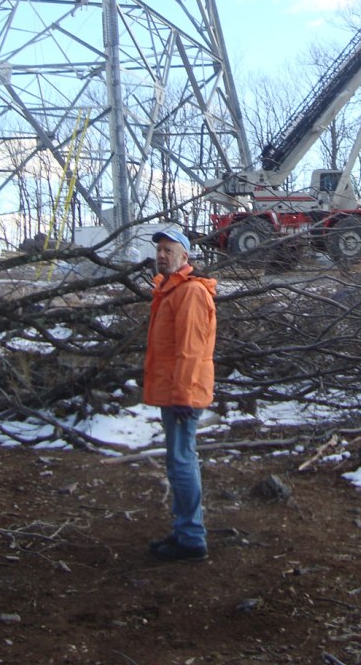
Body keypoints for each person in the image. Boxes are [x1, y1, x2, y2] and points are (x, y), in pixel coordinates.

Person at [143, 227, 217, 562]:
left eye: (168, 250)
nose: (161, 255)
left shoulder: (189, 294)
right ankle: (185, 531)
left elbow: (191, 349)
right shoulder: (169, 292)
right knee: (178, 461)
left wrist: (184, 395)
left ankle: (190, 538)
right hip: (174, 390)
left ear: (185, 257)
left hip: (182, 394)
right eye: (159, 249)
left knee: (182, 461)